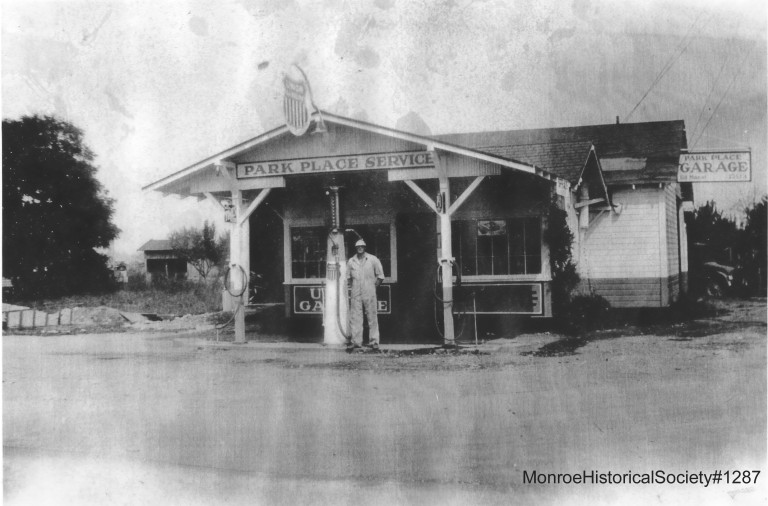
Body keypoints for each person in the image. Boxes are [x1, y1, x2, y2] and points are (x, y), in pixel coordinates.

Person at [347, 238, 384, 350]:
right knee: (356, 317)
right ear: (355, 248)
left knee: (372, 316)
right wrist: (353, 287)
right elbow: (348, 277)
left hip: (369, 290)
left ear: (365, 247)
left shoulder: (373, 259)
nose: (360, 248)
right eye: (358, 246)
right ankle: (356, 342)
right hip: (356, 292)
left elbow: (380, 276)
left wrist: (373, 287)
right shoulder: (351, 261)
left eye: (362, 246)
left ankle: (374, 342)